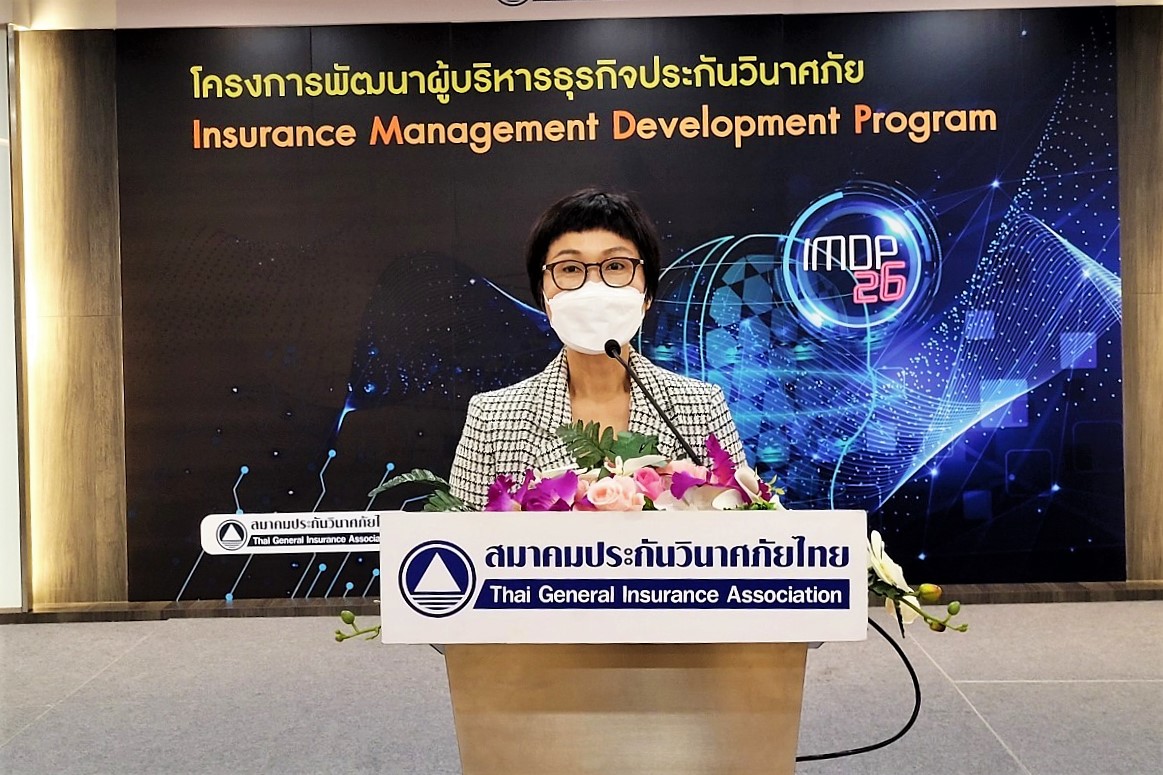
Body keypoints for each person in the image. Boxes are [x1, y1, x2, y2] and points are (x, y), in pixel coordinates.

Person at [449, 188, 745, 509]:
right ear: (544, 298)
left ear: (647, 294)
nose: (594, 286)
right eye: (570, 269)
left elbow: (743, 527)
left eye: (616, 266)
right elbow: (459, 535)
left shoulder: (701, 407)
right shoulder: (492, 419)